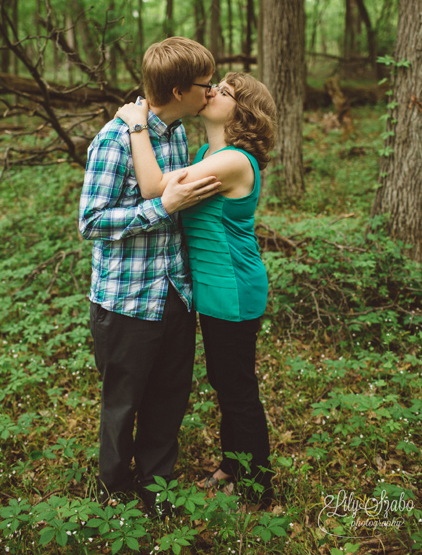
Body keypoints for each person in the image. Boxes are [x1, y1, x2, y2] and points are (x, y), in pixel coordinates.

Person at [114, 71, 277, 506]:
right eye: (215, 86)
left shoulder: (234, 161)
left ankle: (256, 482)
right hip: (214, 286)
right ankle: (235, 463)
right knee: (227, 380)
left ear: (241, 112)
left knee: (236, 385)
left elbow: (153, 189)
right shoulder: (209, 152)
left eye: (224, 92)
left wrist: (136, 125)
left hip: (233, 286)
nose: (212, 92)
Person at [78, 36, 220, 509]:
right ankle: (115, 493)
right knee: (123, 403)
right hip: (126, 301)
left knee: (170, 396)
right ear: (180, 90)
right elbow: (91, 221)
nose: (212, 90)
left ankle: (156, 487)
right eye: (205, 84)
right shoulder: (115, 140)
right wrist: (160, 208)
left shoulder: (175, 132)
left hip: (175, 294)